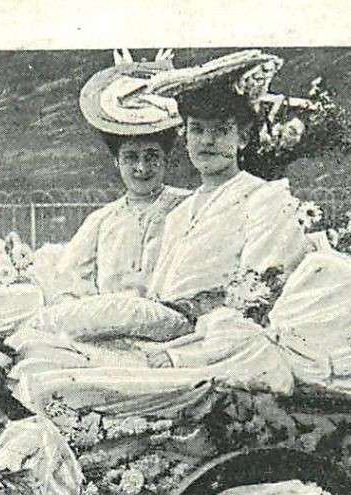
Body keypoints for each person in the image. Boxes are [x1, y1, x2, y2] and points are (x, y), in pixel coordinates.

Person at [141, 50, 313, 363]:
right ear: (186, 137)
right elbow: (159, 293)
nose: (207, 141)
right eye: (197, 130)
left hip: (222, 343)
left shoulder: (264, 198)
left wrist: (185, 350)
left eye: (221, 131)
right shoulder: (178, 214)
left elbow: (259, 294)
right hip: (166, 333)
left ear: (243, 138)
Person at [54, 50, 191, 298]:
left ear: (165, 159)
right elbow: (70, 281)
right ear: (116, 162)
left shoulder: (188, 207)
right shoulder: (101, 221)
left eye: (151, 156)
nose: (141, 168)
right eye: (131, 158)